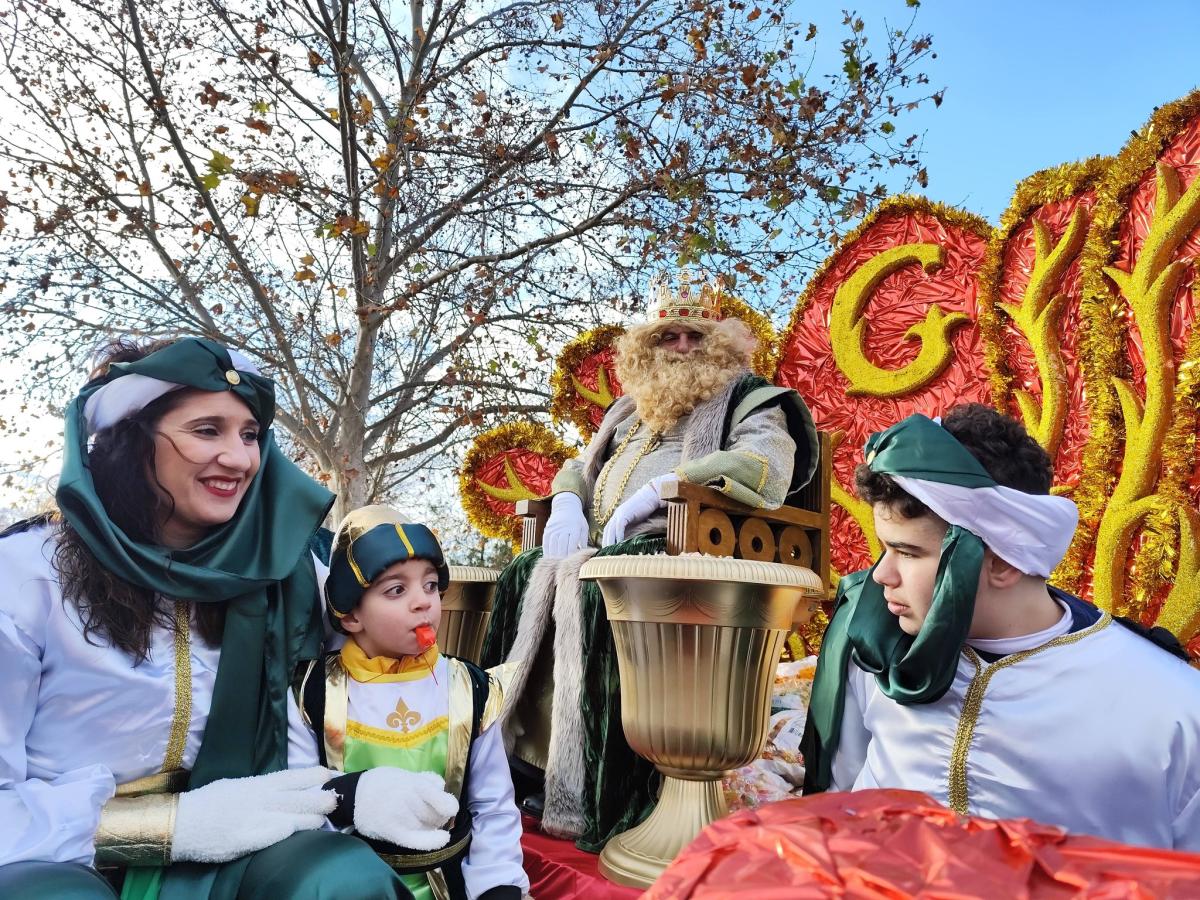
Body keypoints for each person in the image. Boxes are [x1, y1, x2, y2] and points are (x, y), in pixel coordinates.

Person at [0, 337, 451, 898]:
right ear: (131, 441)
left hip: (253, 839)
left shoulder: (291, 572)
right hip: (65, 857)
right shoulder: (23, 577)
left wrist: (354, 790)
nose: (239, 459)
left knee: (342, 880)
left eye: (250, 435)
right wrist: (171, 827)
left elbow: (371, 673)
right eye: (207, 430)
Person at [481, 276, 819, 851]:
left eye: (695, 335)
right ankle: (518, 760)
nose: (681, 347)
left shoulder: (752, 398)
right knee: (524, 571)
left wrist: (665, 487)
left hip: (684, 547)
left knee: (599, 581)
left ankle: (593, 785)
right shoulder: (627, 411)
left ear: (719, 343)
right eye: (668, 336)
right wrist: (567, 501)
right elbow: (580, 466)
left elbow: (765, 465)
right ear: (647, 345)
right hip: (602, 547)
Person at [800, 404, 1200, 850]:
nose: (880, 575)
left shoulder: (1173, 706)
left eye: (909, 553)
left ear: (1002, 561)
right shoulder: (877, 645)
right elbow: (840, 806)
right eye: (885, 549)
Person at [299, 505, 529, 900]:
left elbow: (493, 806)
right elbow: (302, 801)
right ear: (351, 615)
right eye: (396, 590)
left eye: (430, 585)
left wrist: (498, 884)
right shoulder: (312, 691)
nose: (424, 602)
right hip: (351, 887)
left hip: (449, 887)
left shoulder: (469, 688)